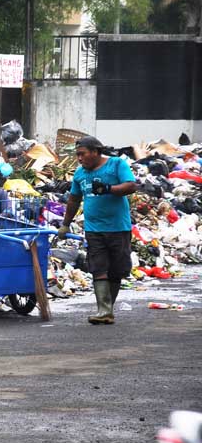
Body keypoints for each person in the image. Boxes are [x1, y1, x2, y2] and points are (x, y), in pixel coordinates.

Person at [58, 136, 137, 325]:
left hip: (118, 228)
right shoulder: (79, 174)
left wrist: (109, 189)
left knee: (116, 270)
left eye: (82, 154)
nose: (79, 158)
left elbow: (131, 186)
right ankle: (103, 310)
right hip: (94, 229)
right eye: (77, 155)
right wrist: (65, 224)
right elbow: (74, 200)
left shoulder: (116, 164)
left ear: (95, 152)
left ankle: (107, 309)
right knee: (98, 267)